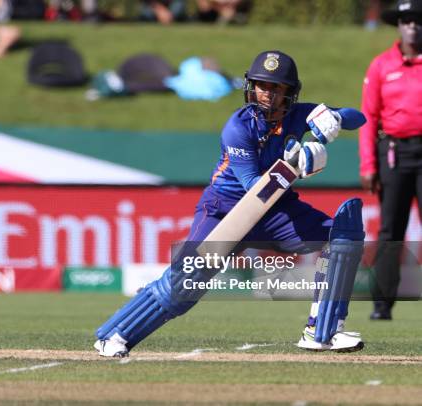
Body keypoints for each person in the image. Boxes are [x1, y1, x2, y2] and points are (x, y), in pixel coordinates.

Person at [94, 50, 368, 358]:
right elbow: (254, 187)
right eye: (263, 85)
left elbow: (360, 117)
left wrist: (335, 117)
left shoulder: (299, 114)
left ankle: (322, 330)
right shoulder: (237, 128)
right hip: (227, 208)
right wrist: (294, 164)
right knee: (187, 281)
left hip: (275, 210)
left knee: (342, 238)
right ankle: (114, 334)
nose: (268, 93)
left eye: (276, 87)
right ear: (251, 86)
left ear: (289, 92)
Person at [360, 0, 422, 321]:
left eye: (418, 20)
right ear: (398, 25)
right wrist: (368, 164)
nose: (413, 26)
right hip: (395, 154)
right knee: (390, 231)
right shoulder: (382, 65)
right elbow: (368, 117)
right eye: (407, 20)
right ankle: (382, 304)